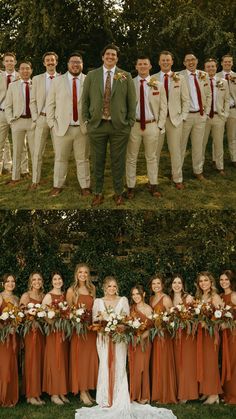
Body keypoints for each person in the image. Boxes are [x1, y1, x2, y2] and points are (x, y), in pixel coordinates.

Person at [75, 276, 176, 418]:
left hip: (120, 340)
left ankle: (119, 397)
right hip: (103, 340)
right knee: (104, 365)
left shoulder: (123, 300)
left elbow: (127, 322)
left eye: (114, 286)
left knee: (120, 366)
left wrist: (118, 327)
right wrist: (104, 328)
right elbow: (95, 322)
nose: (112, 289)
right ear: (104, 287)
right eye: (109, 286)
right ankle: (105, 399)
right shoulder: (98, 301)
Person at [82, 44, 136, 206]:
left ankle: (118, 193)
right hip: (97, 125)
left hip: (119, 126)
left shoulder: (125, 76)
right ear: (102, 56)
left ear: (117, 58)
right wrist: (87, 120)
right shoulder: (92, 75)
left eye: (114, 55)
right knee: (98, 161)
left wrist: (129, 122)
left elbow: (131, 102)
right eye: (108, 54)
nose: (110, 57)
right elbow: (85, 100)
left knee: (118, 161)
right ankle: (98, 193)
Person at [46, 52, 90, 197]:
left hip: (82, 129)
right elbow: (50, 104)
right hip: (62, 129)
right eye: (73, 62)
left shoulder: (89, 80)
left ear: (82, 64)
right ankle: (57, 185)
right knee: (60, 159)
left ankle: (85, 186)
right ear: (67, 64)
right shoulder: (57, 81)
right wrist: (52, 124)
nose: (75, 65)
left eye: (78, 62)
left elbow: (94, 105)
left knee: (83, 159)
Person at [125, 56, 167, 199]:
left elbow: (163, 107)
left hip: (151, 125)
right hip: (134, 125)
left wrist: (159, 126)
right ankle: (130, 186)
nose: (142, 66)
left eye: (145, 64)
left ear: (150, 67)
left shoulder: (158, 85)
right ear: (136, 67)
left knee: (152, 157)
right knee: (131, 157)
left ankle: (153, 185)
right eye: (140, 64)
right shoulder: (129, 83)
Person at [153, 51, 190, 189]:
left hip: (175, 121)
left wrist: (182, 117)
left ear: (172, 62)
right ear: (158, 62)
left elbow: (186, 100)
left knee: (176, 151)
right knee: (154, 152)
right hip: (158, 122)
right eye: (163, 60)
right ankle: (153, 180)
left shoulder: (179, 78)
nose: (165, 62)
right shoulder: (153, 79)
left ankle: (177, 178)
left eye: (168, 60)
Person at [66, 263, 98, 405]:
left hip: (90, 331)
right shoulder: (72, 290)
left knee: (90, 360)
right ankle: (82, 391)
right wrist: (77, 319)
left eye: (85, 272)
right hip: (78, 331)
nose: (83, 275)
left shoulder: (92, 289)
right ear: (76, 274)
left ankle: (88, 390)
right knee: (81, 360)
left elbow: (94, 309)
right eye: (80, 272)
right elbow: (68, 312)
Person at [29, 51, 59, 189]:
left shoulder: (62, 78)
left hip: (57, 121)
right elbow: (32, 101)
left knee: (59, 152)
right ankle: (35, 181)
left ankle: (57, 183)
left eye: (52, 60)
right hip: (41, 118)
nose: (50, 62)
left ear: (56, 62)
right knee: (37, 152)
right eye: (48, 60)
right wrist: (35, 118)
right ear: (44, 63)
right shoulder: (36, 79)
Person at [180, 53, 211, 180]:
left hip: (200, 116)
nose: (191, 62)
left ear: (197, 61)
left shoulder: (204, 75)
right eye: (188, 60)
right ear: (184, 63)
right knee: (180, 145)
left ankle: (198, 171)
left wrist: (206, 112)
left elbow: (209, 94)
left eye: (193, 59)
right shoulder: (178, 76)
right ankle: (177, 172)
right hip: (185, 117)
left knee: (198, 145)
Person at [5, 60, 35, 185]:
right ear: (19, 71)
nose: (25, 71)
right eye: (22, 68)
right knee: (17, 150)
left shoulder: (36, 84)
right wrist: (11, 120)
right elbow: (8, 106)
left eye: (27, 68)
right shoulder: (13, 85)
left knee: (35, 150)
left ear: (31, 70)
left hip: (33, 122)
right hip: (18, 121)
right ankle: (15, 177)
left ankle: (34, 178)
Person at [195, 271, 223, 404]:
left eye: (205, 280)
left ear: (211, 282)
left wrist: (208, 324)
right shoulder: (200, 296)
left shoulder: (215, 296)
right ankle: (207, 391)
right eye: (201, 281)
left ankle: (214, 394)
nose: (203, 283)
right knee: (204, 363)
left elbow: (221, 317)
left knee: (211, 363)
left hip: (211, 334)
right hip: (201, 334)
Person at [169, 274, 198, 403]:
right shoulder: (168, 299)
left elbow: (195, 317)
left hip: (187, 336)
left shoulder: (188, 297)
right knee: (177, 364)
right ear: (171, 285)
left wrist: (185, 321)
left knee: (186, 364)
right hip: (174, 337)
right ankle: (179, 391)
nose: (176, 285)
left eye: (179, 283)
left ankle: (187, 394)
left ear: (183, 285)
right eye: (174, 282)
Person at [42, 272, 69, 405]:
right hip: (53, 333)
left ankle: (61, 391)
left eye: (59, 279)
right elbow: (42, 314)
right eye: (55, 279)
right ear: (51, 281)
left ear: (62, 281)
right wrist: (54, 323)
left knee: (62, 361)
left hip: (63, 333)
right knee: (54, 361)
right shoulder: (48, 296)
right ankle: (53, 393)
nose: (57, 281)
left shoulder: (64, 296)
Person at [149, 273, 177, 404]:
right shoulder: (151, 299)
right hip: (154, 336)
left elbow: (173, 318)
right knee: (156, 363)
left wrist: (163, 326)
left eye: (158, 283)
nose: (156, 286)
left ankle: (166, 395)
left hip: (164, 336)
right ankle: (157, 393)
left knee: (164, 363)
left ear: (162, 285)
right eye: (153, 283)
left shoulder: (166, 299)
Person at [0, 52, 29, 176]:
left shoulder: (21, 75)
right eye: (7, 61)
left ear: (15, 62)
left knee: (22, 144)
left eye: (11, 60)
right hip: (2, 113)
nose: (9, 63)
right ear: (3, 63)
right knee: (1, 142)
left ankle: (24, 170)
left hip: (17, 115)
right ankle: (4, 167)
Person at [19, 271, 45, 406]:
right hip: (30, 332)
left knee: (39, 362)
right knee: (31, 362)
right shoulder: (26, 295)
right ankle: (30, 395)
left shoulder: (43, 296)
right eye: (34, 279)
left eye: (39, 279)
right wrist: (30, 317)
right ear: (30, 281)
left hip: (42, 333)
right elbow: (20, 314)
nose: (37, 282)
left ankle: (37, 393)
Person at [202, 58, 230, 176]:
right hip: (205, 117)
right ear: (204, 68)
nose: (210, 68)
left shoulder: (223, 81)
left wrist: (225, 114)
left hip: (219, 117)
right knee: (201, 143)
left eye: (212, 66)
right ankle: (199, 167)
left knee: (218, 143)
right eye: (208, 66)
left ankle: (220, 166)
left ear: (216, 67)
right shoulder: (201, 81)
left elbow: (227, 100)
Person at [129, 285, 153, 404]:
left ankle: (144, 395)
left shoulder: (148, 309)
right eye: (133, 294)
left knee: (143, 368)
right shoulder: (131, 308)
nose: (135, 297)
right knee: (134, 368)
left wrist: (140, 338)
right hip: (133, 342)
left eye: (137, 294)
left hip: (144, 342)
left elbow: (151, 328)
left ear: (143, 294)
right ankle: (134, 394)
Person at [0, 273, 19, 407]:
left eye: (12, 281)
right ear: (3, 283)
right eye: (7, 281)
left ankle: (10, 395)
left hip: (13, 336)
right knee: (4, 366)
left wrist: (15, 326)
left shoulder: (16, 298)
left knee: (11, 366)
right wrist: (5, 328)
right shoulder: (0, 297)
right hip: (2, 338)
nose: (10, 284)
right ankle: (3, 397)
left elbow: (17, 317)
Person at [219, 269, 236, 404]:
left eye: (226, 279)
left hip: (233, 335)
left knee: (233, 364)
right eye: (221, 280)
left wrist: (229, 325)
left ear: (231, 281)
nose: (223, 282)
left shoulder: (234, 296)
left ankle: (233, 394)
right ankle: (226, 392)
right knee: (226, 362)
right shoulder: (220, 296)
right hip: (223, 335)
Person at [217, 54, 236, 168]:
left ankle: (234, 158)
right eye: (225, 62)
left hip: (233, 110)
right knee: (217, 136)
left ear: (232, 63)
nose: (227, 63)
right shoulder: (217, 76)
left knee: (233, 136)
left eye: (230, 62)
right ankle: (216, 159)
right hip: (220, 110)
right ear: (221, 63)